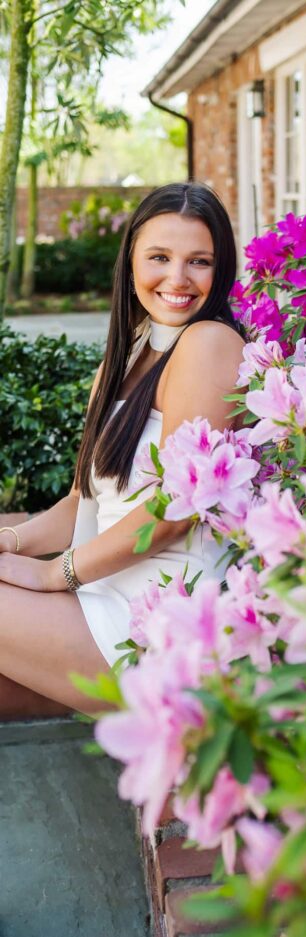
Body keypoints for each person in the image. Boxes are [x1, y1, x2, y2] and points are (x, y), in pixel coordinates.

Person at [0, 183, 245, 716]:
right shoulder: (128, 352)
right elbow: (80, 505)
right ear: (131, 261)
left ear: (220, 269)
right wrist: (10, 541)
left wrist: (51, 573)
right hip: (101, 596)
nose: (177, 279)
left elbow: (175, 510)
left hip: (158, 616)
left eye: (198, 261)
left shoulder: (209, 344)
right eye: (159, 256)